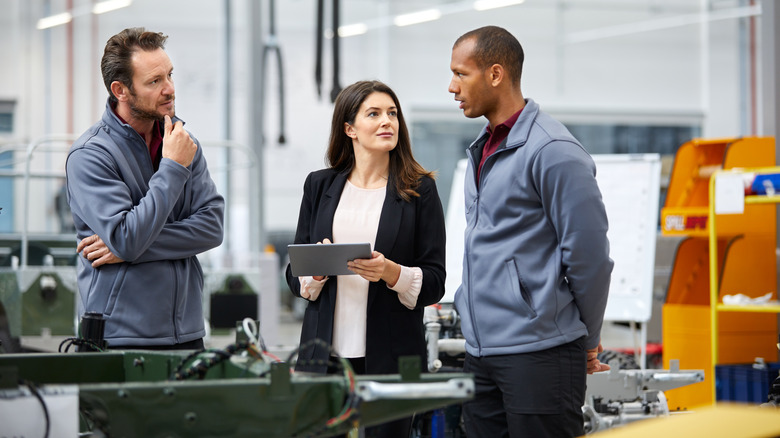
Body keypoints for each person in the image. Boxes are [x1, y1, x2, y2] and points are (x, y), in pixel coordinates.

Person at [448, 26, 613, 437]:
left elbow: (589, 255)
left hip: (541, 352)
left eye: (461, 74)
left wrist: (588, 339)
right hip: (482, 352)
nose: (452, 87)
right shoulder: (483, 147)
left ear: (496, 74)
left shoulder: (553, 151)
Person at [286, 80, 446, 438]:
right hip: (324, 357)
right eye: (373, 113)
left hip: (391, 355)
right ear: (349, 128)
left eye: (392, 113)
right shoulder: (319, 185)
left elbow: (436, 280)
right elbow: (294, 274)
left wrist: (391, 273)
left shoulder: (420, 189)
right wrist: (318, 271)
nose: (387, 121)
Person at [65, 28, 224, 350]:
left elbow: (212, 228)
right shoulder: (91, 155)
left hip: (188, 332)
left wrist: (125, 250)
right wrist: (173, 168)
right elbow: (126, 236)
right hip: (119, 336)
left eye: (169, 75)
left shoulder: (180, 141)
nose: (170, 89)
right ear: (120, 90)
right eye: (154, 82)